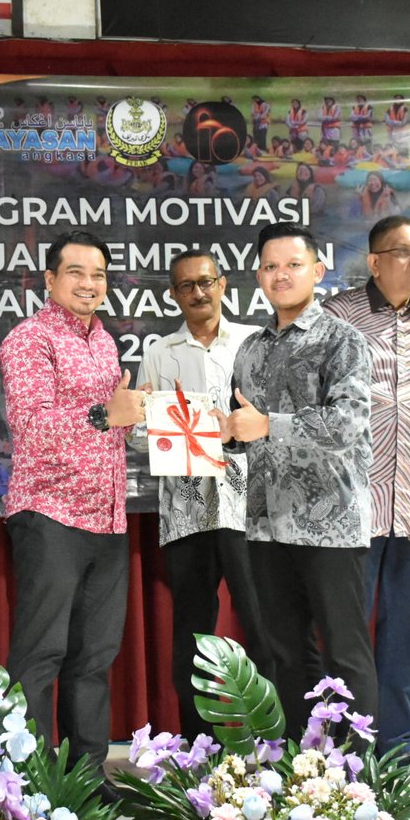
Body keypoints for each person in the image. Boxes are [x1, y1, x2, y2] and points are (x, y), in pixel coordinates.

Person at [0, 230, 146, 789]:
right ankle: (31, 785)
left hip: (107, 517)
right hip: (50, 514)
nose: (89, 284)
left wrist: (138, 416)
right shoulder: (30, 339)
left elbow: (109, 426)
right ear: (50, 279)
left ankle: (86, 778)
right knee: (42, 655)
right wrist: (105, 414)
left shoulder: (104, 342)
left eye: (99, 275)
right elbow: (32, 426)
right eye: (77, 273)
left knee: (95, 656)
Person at [225, 222, 376, 732]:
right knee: (286, 653)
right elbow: (242, 428)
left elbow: (347, 424)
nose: (281, 275)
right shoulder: (250, 348)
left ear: (318, 270)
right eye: (270, 267)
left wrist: (268, 425)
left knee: (346, 653)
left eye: (293, 264)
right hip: (266, 525)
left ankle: (358, 770)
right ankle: (301, 763)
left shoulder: (343, 340)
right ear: (258, 277)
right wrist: (222, 432)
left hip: (330, 523)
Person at [325, 218, 410, 757]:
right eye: (404, 252)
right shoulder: (338, 316)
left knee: (408, 638)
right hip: (354, 506)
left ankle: (399, 748)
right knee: (349, 638)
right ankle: (347, 751)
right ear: (374, 262)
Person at [132, 251, 265, 738]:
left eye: (206, 282)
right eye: (186, 285)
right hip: (187, 508)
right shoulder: (159, 353)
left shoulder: (254, 342)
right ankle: (197, 745)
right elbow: (137, 433)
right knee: (192, 631)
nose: (198, 292)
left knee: (264, 622)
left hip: (250, 506)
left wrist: (241, 428)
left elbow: (272, 420)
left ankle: (278, 741)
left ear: (223, 284)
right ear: (173, 294)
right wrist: (175, 428)